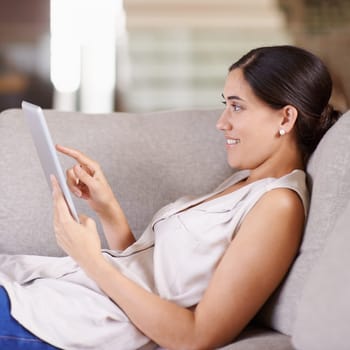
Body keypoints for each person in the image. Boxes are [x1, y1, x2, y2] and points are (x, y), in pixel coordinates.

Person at [0, 45, 342, 350]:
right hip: (45, 291)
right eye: (226, 106)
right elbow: (153, 279)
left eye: (237, 107)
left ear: (285, 117)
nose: (222, 123)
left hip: (59, 323)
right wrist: (108, 209)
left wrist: (92, 260)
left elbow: (197, 336)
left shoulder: (279, 205)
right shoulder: (242, 183)